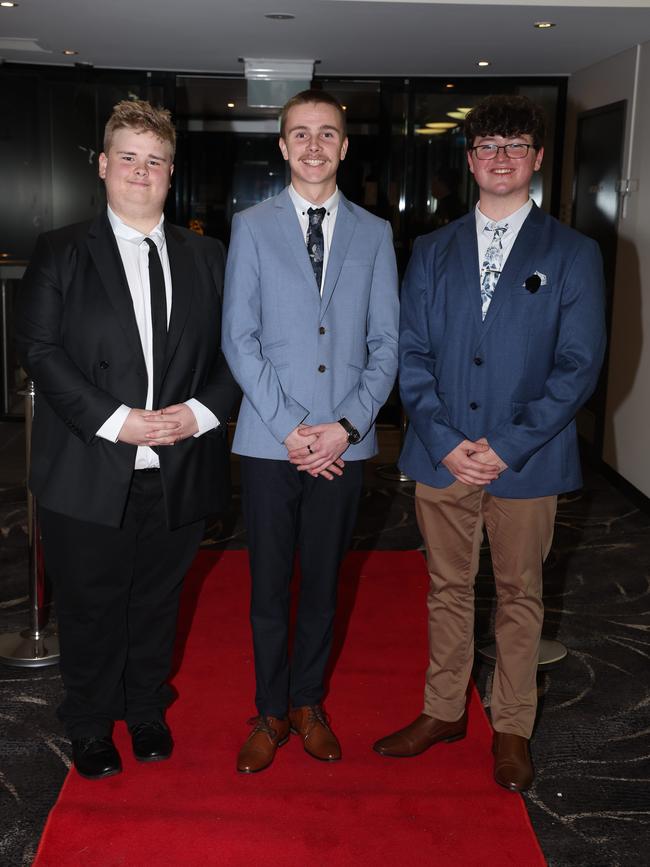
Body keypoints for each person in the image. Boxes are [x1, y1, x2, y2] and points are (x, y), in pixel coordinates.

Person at [373, 94, 606, 792]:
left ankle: (512, 726)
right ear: (470, 160)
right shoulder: (432, 248)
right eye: (486, 146)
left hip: (526, 460)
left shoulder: (573, 252)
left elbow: (578, 365)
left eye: (514, 145)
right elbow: (410, 353)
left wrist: (504, 444)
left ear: (536, 159)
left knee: (519, 594)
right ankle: (443, 709)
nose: (499, 157)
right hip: (441, 456)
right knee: (446, 588)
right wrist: (445, 441)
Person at [16, 100, 238, 780]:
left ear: (171, 173)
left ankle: (144, 708)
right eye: (130, 158)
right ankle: (87, 721)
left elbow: (239, 354)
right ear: (105, 166)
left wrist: (199, 413)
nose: (142, 172)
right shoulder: (61, 249)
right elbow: (39, 350)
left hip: (177, 468)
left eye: (156, 161)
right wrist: (119, 419)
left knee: (156, 603)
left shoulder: (208, 255)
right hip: (88, 464)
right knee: (87, 606)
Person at [223, 89, 399, 774]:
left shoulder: (375, 233)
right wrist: (296, 427)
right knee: (268, 584)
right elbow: (239, 339)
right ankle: (269, 709)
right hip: (272, 441)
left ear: (345, 146)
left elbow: (385, 344)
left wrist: (345, 425)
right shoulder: (252, 225)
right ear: (283, 146)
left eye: (327, 134)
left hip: (345, 444)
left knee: (324, 583)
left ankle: (307, 703)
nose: (314, 146)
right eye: (301, 134)